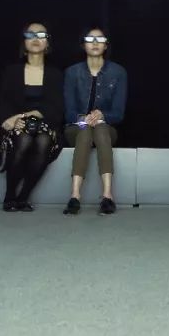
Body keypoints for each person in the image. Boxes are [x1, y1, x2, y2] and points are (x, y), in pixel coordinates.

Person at [0, 22, 64, 212]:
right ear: (24, 42)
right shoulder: (12, 71)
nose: (36, 39)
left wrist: (29, 114)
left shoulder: (55, 74)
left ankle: (23, 197)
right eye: (31, 35)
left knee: (44, 141)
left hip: (46, 123)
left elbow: (57, 107)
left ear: (48, 43)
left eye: (41, 35)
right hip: (17, 124)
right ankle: (10, 195)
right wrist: (12, 120)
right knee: (24, 138)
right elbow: (3, 104)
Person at [61, 27, 128, 216]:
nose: (96, 42)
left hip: (104, 129)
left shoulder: (118, 72)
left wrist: (102, 115)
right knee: (84, 130)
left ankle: (107, 196)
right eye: (90, 39)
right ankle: (75, 196)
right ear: (83, 45)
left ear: (106, 45)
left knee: (100, 129)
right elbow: (68, 113)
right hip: (77, 127)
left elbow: (118, 114)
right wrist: (83, 118)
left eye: (100, 39)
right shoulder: (72, 72)